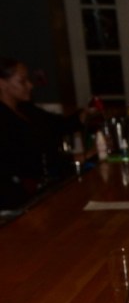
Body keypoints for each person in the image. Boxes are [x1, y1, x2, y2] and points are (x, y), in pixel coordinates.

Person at [0, 57, 81, 209]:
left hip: (39, 189)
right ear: (2, 84)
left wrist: (85, 115)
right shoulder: (3, 120)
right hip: (15, 199)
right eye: (22, 81)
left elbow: (57, 125)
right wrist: (73, 159)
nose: (30, 85)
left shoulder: (26, 109)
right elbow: (25, 160)